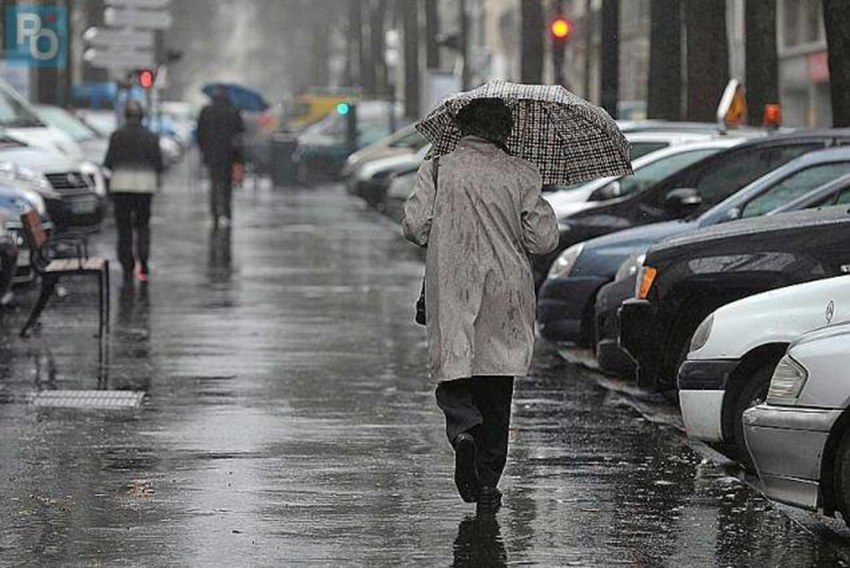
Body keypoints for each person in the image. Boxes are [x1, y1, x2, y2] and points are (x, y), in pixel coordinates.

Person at [402, 98, 559, 513]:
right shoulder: (522, 172)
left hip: (453, 284)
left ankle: (463, 431)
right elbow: (542, 241)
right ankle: (488, 482)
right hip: (506, 290)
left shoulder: (437, 168)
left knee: (455, 372)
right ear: (504, 132)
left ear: (461, 128)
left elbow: (415, 227)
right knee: (496, 383)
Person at [104, 100, 163, 285]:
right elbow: (159, 164)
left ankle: (127, 266)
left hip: (121, 185)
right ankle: (143, 262)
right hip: (144, 186)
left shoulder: (117, 136)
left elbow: (108, 162)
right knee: (143, 225)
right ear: (142, 116)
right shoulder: (151, 137)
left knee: (124, 228)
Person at [196, 87, 244, 228]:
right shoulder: (233, 111)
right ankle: (226, 211)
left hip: (212, 155)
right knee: (227, 184)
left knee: (214, 182)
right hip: (229, 154)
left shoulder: (206, 111)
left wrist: (204, 150)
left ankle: (215, 212)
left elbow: (199, 134)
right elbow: (240, 132)